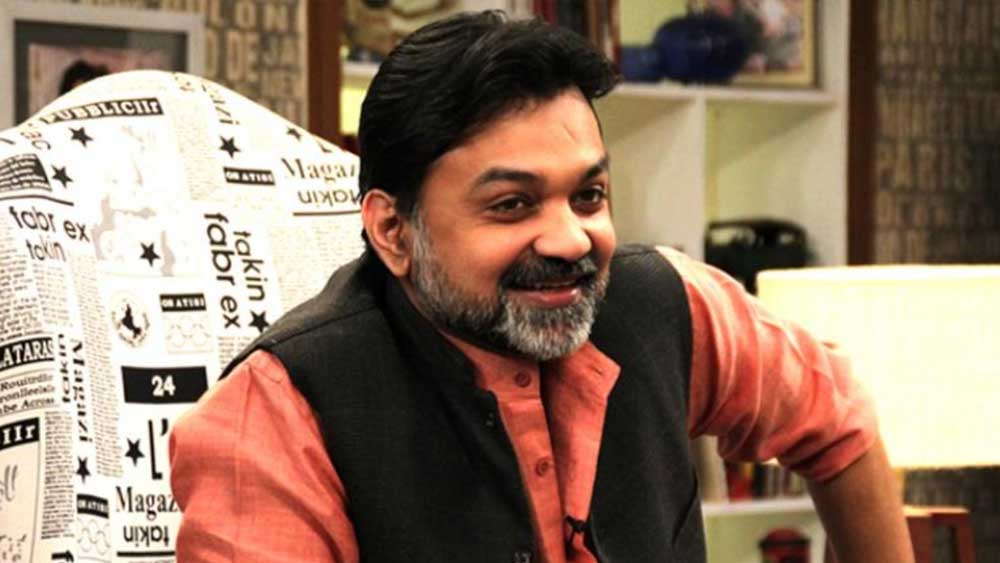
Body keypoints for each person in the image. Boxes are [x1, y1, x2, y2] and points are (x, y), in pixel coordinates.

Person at [169, 11, 913, 562]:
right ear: (393, 231)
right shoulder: (277, 415)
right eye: (512, 204)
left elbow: (838, 419)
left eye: (588, 196)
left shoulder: (668, 305)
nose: (570, 239)